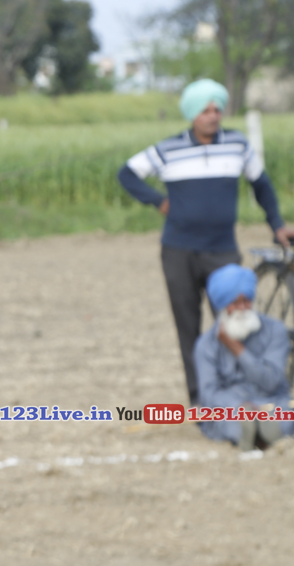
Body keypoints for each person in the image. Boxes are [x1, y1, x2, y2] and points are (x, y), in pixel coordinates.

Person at [118, 78, 294, 406]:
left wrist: (277, 225)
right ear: (191, 114)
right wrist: (159, 201)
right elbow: (126, 173)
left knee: (238, 324)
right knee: (188, 328)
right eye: (205, 110)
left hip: (222, 251)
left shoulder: (237, 144)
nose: (213, 116)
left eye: (217, 109)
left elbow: (261, 185)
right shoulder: (168, 149)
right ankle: (202, 402)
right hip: (178, 252)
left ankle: (244, 397)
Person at [195, 264, 293, 449]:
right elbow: (210, 395)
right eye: (235, 303)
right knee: (226, 420)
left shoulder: (275, 331)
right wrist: (239, 406)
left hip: (271, 402)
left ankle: (265, 431)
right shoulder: (206, 345)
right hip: (231, 408)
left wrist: (236, 348)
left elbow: (271, 381)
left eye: (246, 301)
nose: (242, 308)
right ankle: (251, 432)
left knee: (284, 416)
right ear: (222, 306)